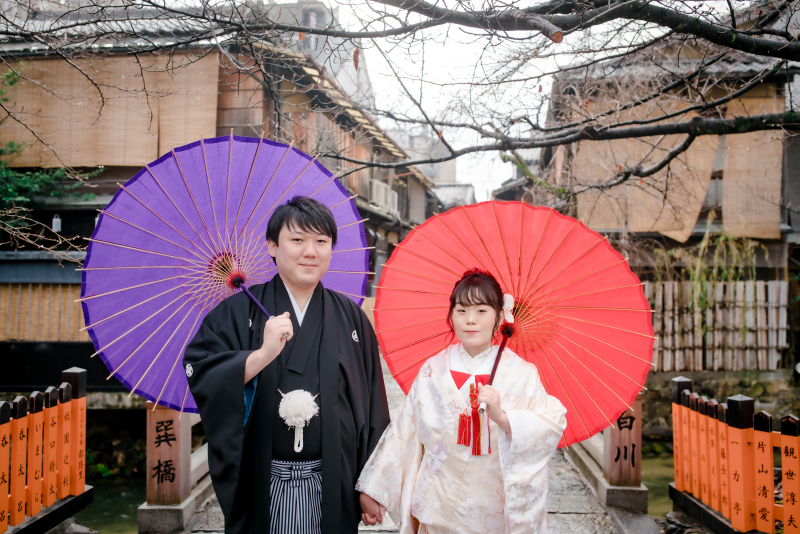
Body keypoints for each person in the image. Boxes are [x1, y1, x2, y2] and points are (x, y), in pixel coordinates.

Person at [184, 196, 390, 534]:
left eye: (321, 241)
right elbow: (203, 374)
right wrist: (262, 354)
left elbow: (373, 406)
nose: (311, 251)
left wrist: (371, 484)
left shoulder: (351, 317)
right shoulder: (237, 313)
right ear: (273, 247)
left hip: (335, 479)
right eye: (297, 240)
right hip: (262, 479)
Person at [356, 269, 567, 533]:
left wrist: (504, 417)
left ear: (500, 317)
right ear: (451, 316)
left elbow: (550, 423)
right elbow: (403, 430)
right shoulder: (433, 370)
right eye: (461, 310)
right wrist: (374, 490)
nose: (471, 320)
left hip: (493, 508)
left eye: (481, 311)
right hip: (437, 502)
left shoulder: (521, 374)